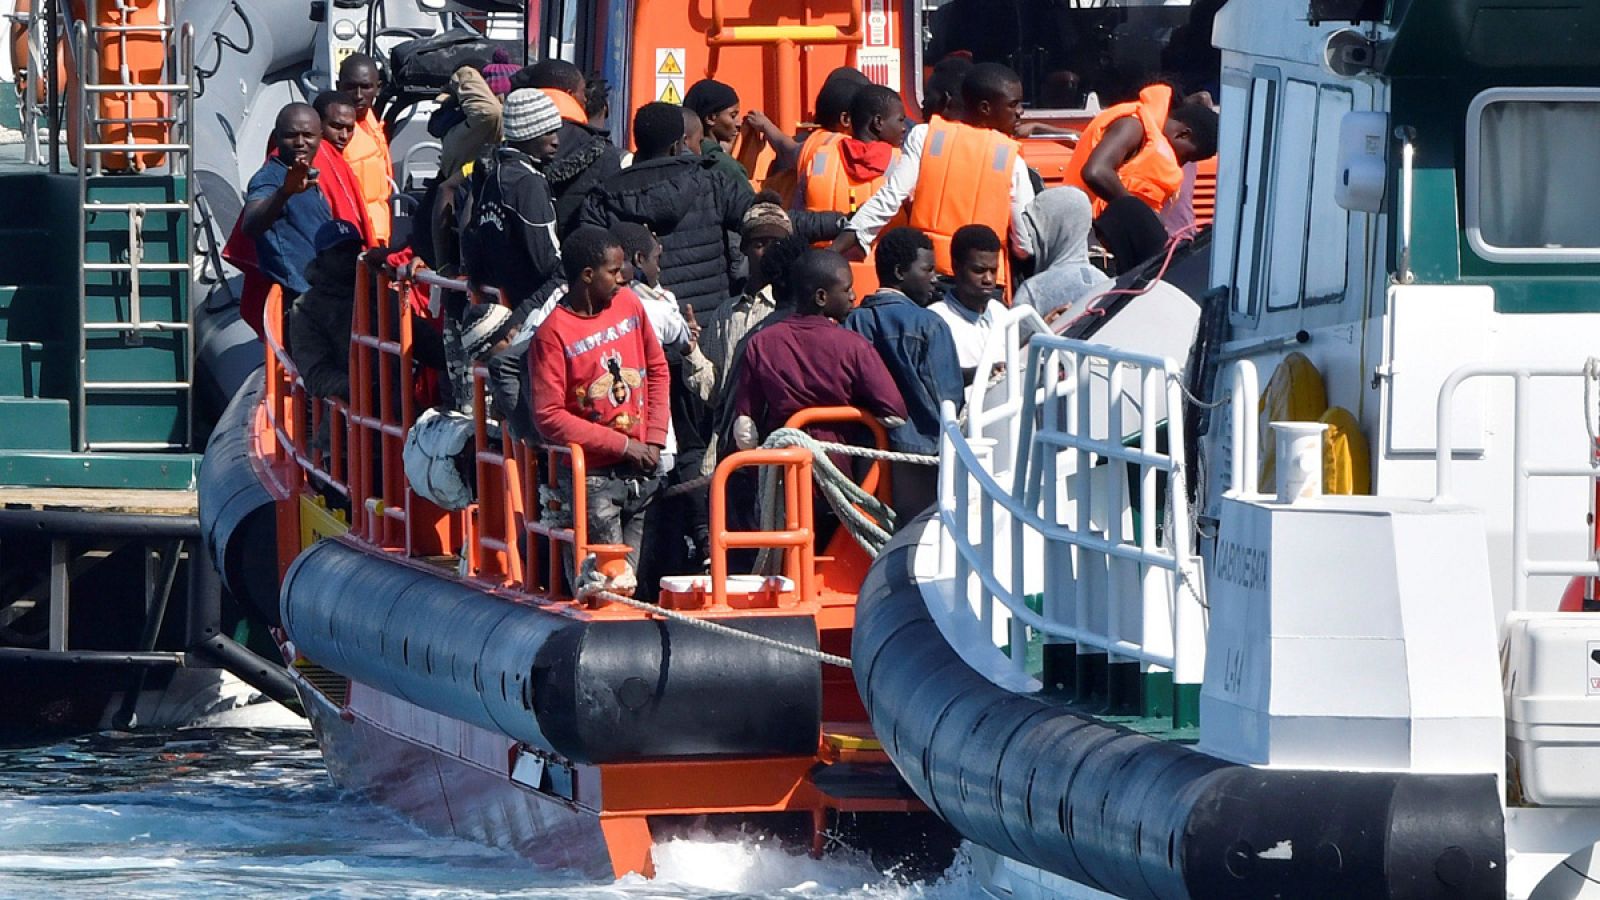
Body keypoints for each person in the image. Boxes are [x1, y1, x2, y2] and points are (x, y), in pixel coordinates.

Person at [579, 102, 846, 313]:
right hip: (706, 326)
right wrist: (839, 223)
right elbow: (770, 220)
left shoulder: (603, 196)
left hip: (637, 327)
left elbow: (587, 258)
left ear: (637, 142)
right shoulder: (713, 183)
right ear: (678, 145)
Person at [728, 249, 907, 544]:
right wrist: (858, 413)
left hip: (783, 476)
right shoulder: (853, 346)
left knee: (788, 551)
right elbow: (894, 412)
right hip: (841, 474)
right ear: (821, 297)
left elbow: (745, 429)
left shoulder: (762, 343)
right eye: (847, 289)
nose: (853, 296)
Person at [530, 226, 670, 582]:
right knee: (604, 583)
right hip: (593, 478)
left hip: (641, 469)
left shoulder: (629, 304)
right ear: (588, 276)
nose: (624, 278)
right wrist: (624, 446)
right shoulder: (553, 334)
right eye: (614, 271)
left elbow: (656, 369)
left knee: (637, 580)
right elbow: (549, 416)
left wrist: (653, 438)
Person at [835, 63, 1035, 286]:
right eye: (1013, 105)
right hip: (984, 287)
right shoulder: (1010, 158)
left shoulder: (925, 137)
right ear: (985, 108)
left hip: (930, 280)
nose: (1020, 112)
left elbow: (889, 199)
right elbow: (1025, 245)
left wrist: (835, 249)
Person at [1061, 83, 1218, 271]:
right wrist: (1141, 216)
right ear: (1183, 134)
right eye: (1187, 158)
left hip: (1102, 238)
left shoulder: (1148, 136)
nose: (1181, 165)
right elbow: (1096, 171)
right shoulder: (1133, 124)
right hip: (1083, 241)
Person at [843, 227, 963, 454]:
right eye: (927, 270)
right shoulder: (930, 325)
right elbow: (948, 399)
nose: (934, 279)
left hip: (864, 452)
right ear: (900, 272)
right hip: (923, 454)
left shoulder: (851, 322)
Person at [463, 88, 564, 328]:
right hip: (530, 309)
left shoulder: (494, 174)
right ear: (527, 134)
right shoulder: (528, 182)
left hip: (500, 303)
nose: (556, 141)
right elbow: (546, 261)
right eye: (548, 132)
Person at [512, 58, 623, 235]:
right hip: (580, 257)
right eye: (582, 92)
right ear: (569, 94)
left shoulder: (506, 146)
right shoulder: (601, 151)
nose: (586, 98)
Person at [239, 104, 331, 304]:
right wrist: (284, 192)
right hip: (298, 301)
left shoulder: (310, 177)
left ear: (320, 137)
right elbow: (250, 225)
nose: (300, 142)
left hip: (323, 295)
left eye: (308, 135)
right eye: (291, 135)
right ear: (276, 137)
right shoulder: (269, 178)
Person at [289, 219, 365, 404]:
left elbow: (423, 340)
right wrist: (360, 389)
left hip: (399, 408)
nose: (348, 256)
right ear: (321, 258)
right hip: (347, 416)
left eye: (353, 249)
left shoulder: (379, 293)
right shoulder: (306, 309)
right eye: (339, 251)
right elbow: (316, 374)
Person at [1013, 187, 1113, 321]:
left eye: (1035, 230)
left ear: (1050, 231)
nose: (1030, 237)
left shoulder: (1034, 292)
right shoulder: (1106, 285)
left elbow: (1011, 340)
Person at [928, 225, 1003, 384]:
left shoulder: (1000, 312)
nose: (988, 279)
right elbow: (939, 381)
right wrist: (984, 373)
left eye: (993, 270)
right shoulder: (936, 321)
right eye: (978, 270)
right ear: (956, 266)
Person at [335, 53, 393, 246]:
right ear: (338, 86)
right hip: (352, 237)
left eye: (366, 87)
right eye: (350, 87)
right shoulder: (330, 131)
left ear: (378, 88)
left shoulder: (371, 120)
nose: (358, 95)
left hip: (380, 235)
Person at [681, 78, 748, 182]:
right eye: (733, 116)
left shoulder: (676, 160)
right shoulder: (727, 168)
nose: (739, 123)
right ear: (710, 119)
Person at [921, 56, 972, 122]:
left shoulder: (922, 131)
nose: (923, 102)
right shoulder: (986, 131)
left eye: (927, 96)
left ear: (946, 100)